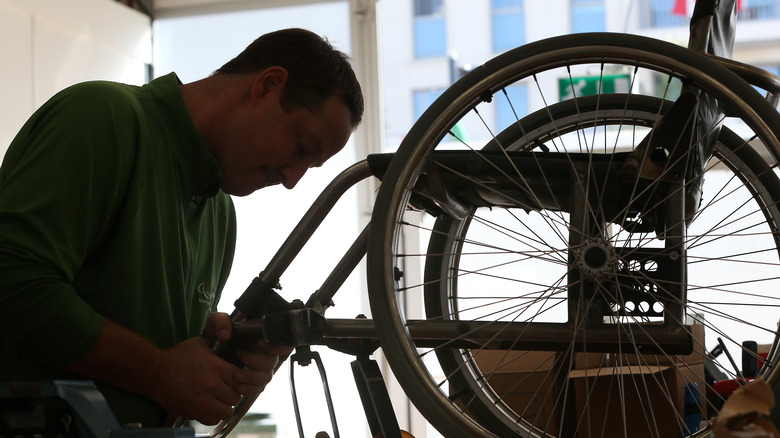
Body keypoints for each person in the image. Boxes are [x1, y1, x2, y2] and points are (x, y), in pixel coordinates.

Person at [0, 27, 364, 428]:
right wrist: (157, 370)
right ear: (268, 85)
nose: (293, 178)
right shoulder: (103, 117)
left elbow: (164, 376)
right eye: (301, 148)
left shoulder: (220, 214)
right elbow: (13, 278)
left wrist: (220, 363)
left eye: (310, 168)